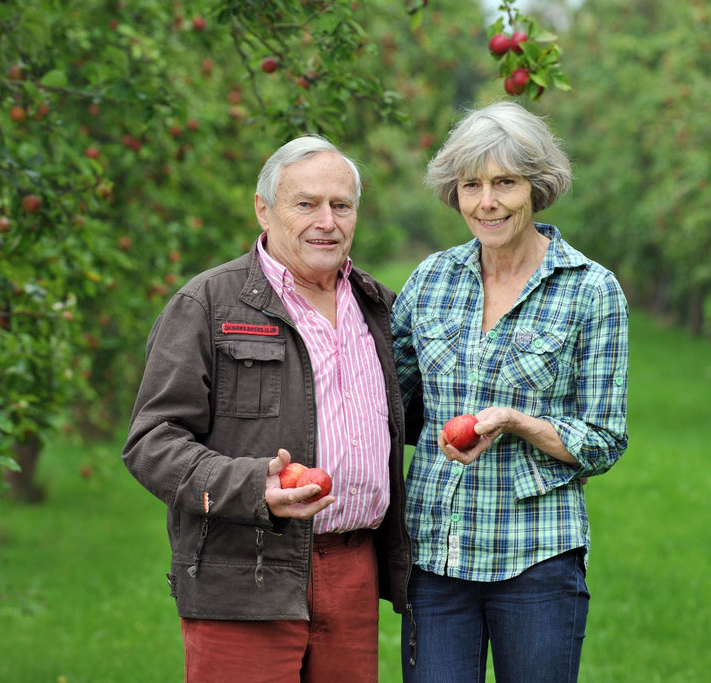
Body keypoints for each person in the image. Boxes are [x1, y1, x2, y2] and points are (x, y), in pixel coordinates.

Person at [122, 135, 411, 683]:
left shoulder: (380, 309)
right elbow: (151, 442)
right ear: (263, 207)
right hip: (245, 571)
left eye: (341, 205)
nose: (326, 220)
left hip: (352, 569)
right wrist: (255, 487)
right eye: (305, 204)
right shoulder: (207, 305)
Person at [392, 100, 629, 683]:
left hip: (537, 557)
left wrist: (518, 422)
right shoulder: (431, 280)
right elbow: (385, 399)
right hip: (436, 555)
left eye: (505, 183)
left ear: (537, 187)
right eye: (471, 185)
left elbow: (604, 440)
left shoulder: (589, 291)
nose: (487, 202)